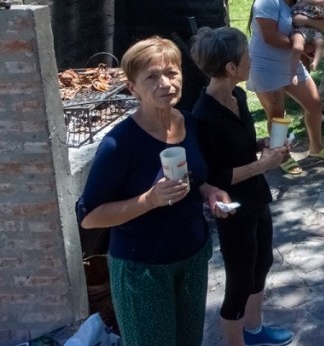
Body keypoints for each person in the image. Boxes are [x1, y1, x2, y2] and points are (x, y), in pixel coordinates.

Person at [77, 37, 234, 346]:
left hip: (191, 257)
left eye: (172, 72)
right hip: (142, 269)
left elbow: (195, 178)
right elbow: (89, 218)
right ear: (133, 88)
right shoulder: (119, 144)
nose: (165, 83)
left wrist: (210, 191)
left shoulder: (189, 123)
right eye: (151, 77)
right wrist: (150, 200)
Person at [191, 27, 293, 346]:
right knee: (240, 278)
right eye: (247, 56)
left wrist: (264, 143)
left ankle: (254, 330)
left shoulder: (238, 95)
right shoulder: (203, 116)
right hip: (232, 208)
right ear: (231, 68)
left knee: (262, 263)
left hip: (256, 196)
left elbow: (244, 142)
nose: (252, 60)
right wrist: (263, 164)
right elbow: (214, 176)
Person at [249, 0, 324, 174]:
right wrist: (305, 45)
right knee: (277, 115)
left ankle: (316, 148)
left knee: (315, 104)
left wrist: (311, 28)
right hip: (265, 65)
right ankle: (282, 156)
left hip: (290, 61)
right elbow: (270, 37)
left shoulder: (302, 1)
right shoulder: (267, 0)